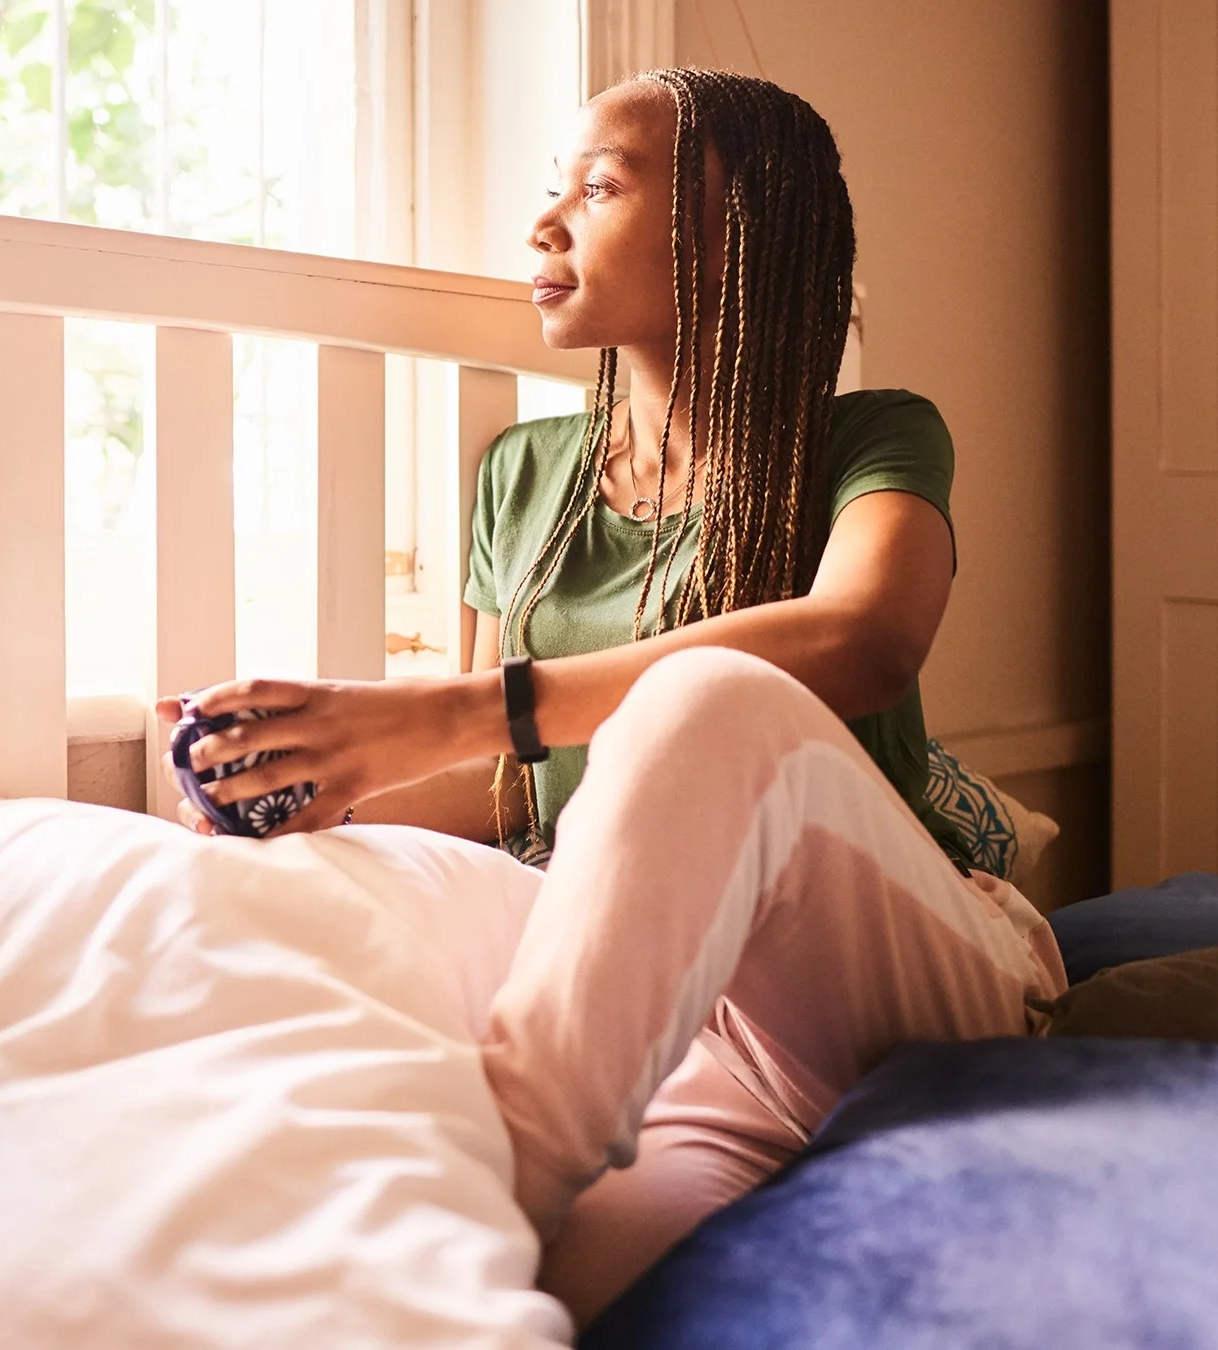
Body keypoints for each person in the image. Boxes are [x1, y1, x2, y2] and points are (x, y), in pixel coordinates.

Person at [155, 69, 1064, 1325]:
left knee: (703, 700)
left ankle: (501, 1167)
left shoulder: (871, 437)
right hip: (675, 1040)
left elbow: (866, 640)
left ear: (730, 232)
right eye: (552, 191)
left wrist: (445, 710)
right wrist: (328, 798)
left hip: (892, 977)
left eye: (598, 188)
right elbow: (503, 794)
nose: (545, 227)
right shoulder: (524, 476)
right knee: (551, 1297)